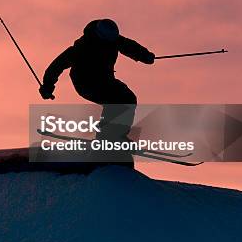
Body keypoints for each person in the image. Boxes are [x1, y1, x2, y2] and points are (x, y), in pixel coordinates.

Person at [39, 19, 155, 162]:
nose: (109, 45)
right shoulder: (82, 47)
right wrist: (47, 86)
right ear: (99, 36)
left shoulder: (113, 40)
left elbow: (129, 46)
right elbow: (57, 65)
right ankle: (106, 137)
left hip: (106, 80)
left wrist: (145, 56)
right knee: (114, 100)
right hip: (86, 83)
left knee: (128, 98)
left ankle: (116, 135)